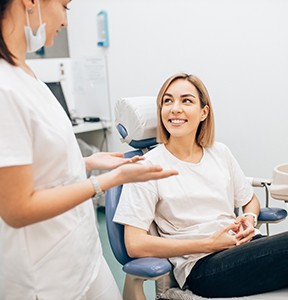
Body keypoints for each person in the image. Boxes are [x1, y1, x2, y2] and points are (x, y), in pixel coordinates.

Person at [114, 73, 288, 300]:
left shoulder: (219, 152)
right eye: (167, 101)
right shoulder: (147, 166)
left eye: (186, 100)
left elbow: (249, 200)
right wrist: (208, 244)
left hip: (243, 248)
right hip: (203, 266)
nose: (175, 108)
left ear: (204, 112)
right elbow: (134, 244)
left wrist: (248, 218)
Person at [0, 1, 178, 299]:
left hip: (82, 256)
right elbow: (17, 208)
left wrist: (86, 161)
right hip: (44, 278)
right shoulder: (5, 87)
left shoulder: (26, 74)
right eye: (64, 6)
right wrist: (105, 181)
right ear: (30, 2)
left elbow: (37, 166)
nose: (66, 21)